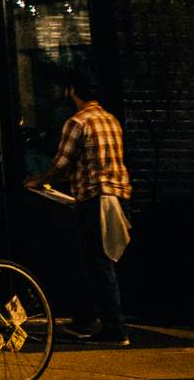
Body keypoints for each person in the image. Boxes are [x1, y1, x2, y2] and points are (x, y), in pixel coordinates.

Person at [29, 72, 131, 344]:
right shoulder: (110, 120)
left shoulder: (78, 122)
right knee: (105, 259)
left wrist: (38, 180)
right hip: (118, 196)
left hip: (94, 198)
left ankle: (112, 327)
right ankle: (98, 320)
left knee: (96, 261)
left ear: (72, 91)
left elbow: (62, 164)